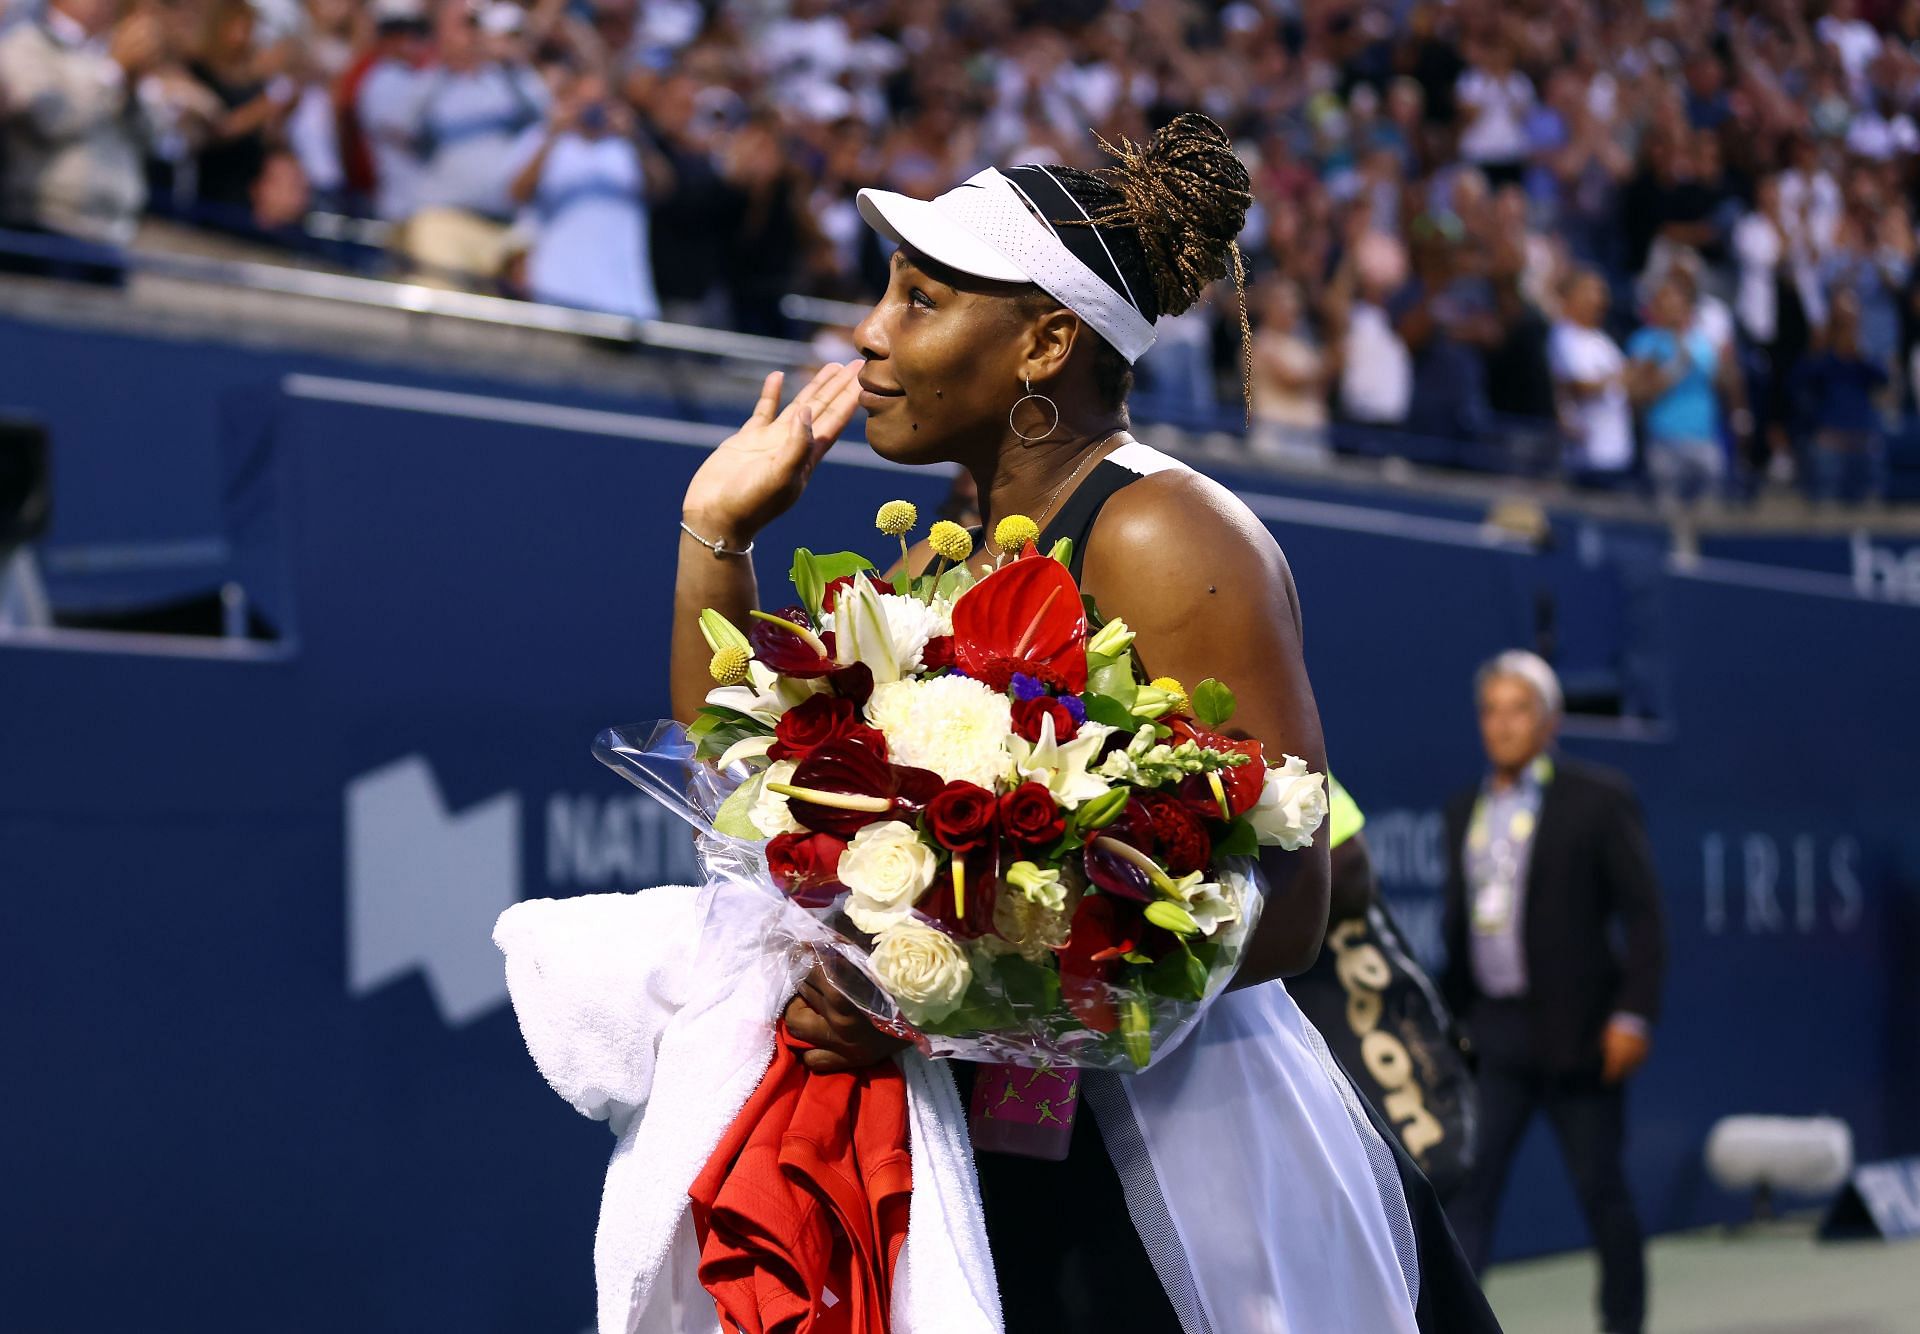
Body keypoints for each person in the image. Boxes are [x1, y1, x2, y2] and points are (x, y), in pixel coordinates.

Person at [668, 115, 1501, 1334]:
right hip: (994, 1169)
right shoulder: (941, 552)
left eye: (922, 298)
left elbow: (1291, 906)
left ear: (1048, 341)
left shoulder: (1166, 535)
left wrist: (935, 999)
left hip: (1186, 1186)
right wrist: (717, 535)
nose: (871, 332)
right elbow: (735, 783)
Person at [1441, 651, 1666, 1334]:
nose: (1502, 726)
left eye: (1518, 711)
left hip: (1581, 1033)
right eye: (1491, 711)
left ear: (1550, 720)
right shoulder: (1463, 809)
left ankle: (1622, 1325)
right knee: (1467, 1195)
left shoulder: (1597, 799)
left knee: (1603, 1195)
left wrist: (1633, 1015)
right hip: (1495, 1035)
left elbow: (1646, 917)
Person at [0, 0, 164, 250]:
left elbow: (157, 141)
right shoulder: (28, 42)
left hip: (115, 232)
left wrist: (133, 88)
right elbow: (48, 119)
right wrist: (114, 72)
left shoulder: (123, 54)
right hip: (44, 224)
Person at [506, 70, 661, 321]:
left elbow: (663, 188)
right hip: (555, 293)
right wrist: (553, 133)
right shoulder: (541, 138)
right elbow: (516, 193)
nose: (591, 111)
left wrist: (636, 137)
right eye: (583, 102)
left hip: (622, 299)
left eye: (600, 103)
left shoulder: (627, 146)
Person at [1626, 274, 1738, 508]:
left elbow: (1720, 385)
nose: (1671, 305)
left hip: (1705, 441)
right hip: (1665, 441)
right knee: (1667, 517)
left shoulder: (1704, 342)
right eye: (1665, 299)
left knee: (1710, 517)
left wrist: (1727, 364)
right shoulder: (1644, 342)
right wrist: (1674, 370)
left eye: (1676, 299)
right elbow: (1637, 395)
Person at [1549, 267, 1634, 486]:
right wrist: (1619, 377)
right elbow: (1579, 386)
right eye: (1591, 291)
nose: (1599, 299)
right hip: (1586, 454)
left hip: (1616, 451)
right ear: (1570, 296)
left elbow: (1629, 384)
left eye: (1601, 292)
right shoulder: (1563, 335)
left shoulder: (1603, 341)